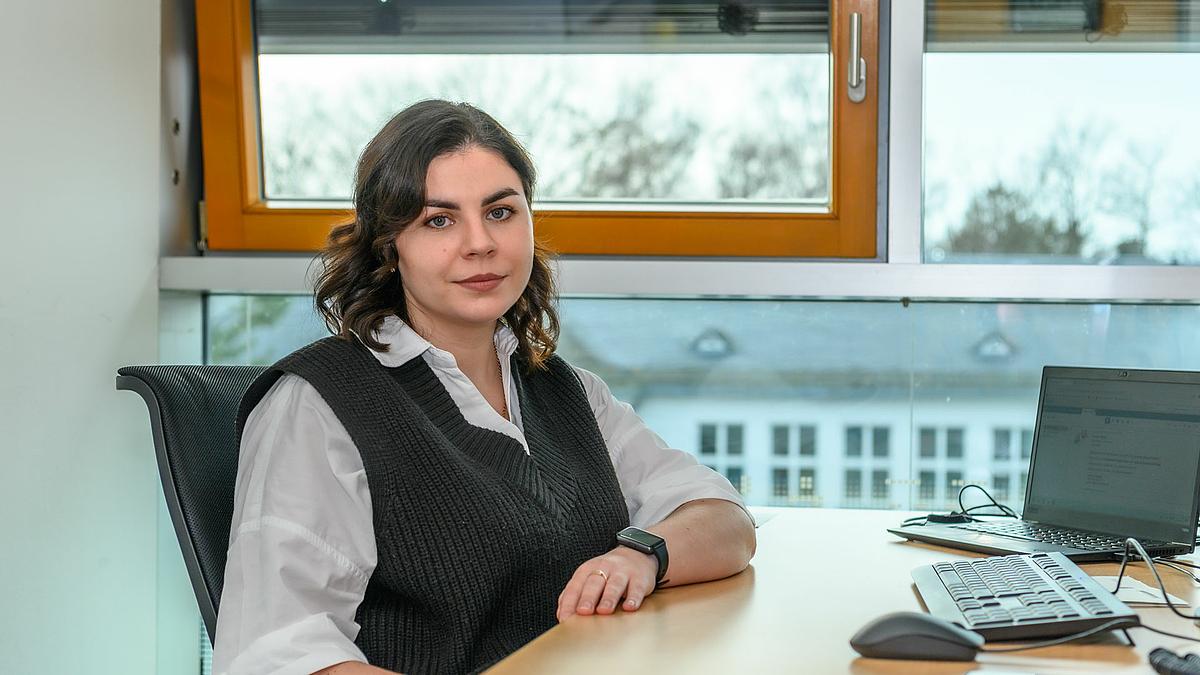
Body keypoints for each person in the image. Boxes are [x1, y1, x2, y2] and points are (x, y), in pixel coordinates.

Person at [212, 99, 756, 675]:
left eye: (500, 212)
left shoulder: (565, 391)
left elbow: (725, 521)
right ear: (388, 247)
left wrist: (642, 555)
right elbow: (277, 655)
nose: (480, 243)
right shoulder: (316, 405)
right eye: (438, 220)